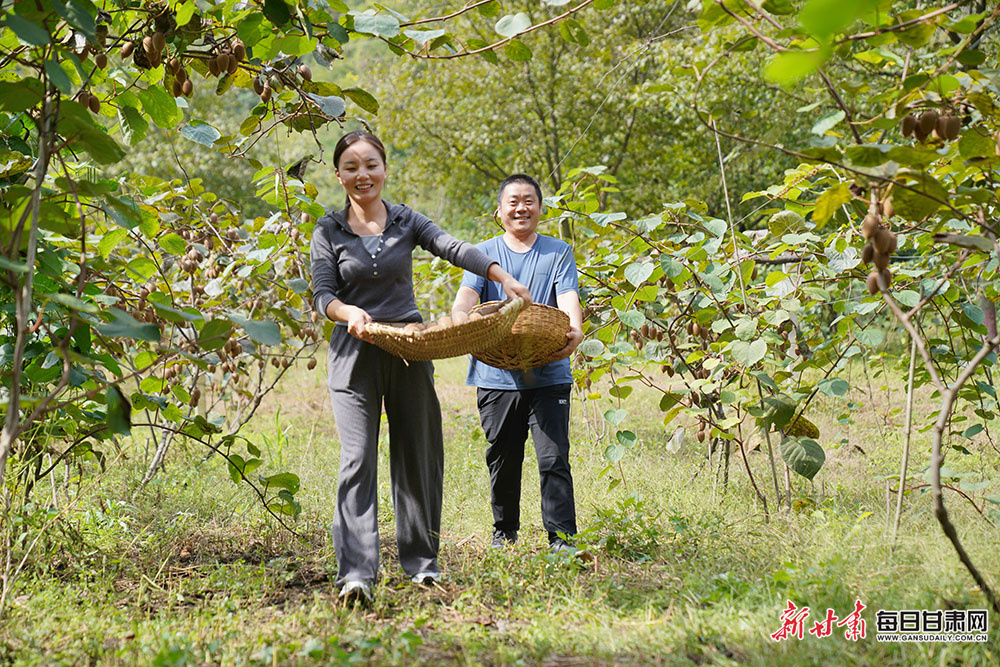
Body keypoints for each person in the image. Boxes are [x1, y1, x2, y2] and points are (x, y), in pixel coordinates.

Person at [310, 131, 531, 604]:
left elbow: (454, 247)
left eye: (370, 164)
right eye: (351, 167)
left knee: (418, 453)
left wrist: (501, 274)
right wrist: (348, 313)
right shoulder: (328, 230)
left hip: (411, 349)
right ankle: (356, 574)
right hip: (354, 354)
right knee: (357, 459)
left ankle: (422, 564)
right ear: (339, 176)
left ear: (384, 169)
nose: (362, 174)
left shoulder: (406, 220)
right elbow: (323, 295)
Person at [451, 174, 584, 553]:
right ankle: (504, 531)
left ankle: (562, 540)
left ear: (541, 209)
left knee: (553, 456)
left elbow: (569, 297)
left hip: (549, 372)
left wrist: (574, 330)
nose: (521, 208)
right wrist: (460, 319)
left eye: (529, 201)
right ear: (499, 210)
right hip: (496, 376)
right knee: (503, 457)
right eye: (513, 201)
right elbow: (467, 296)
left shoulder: (558, 251)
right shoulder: (483, 254)